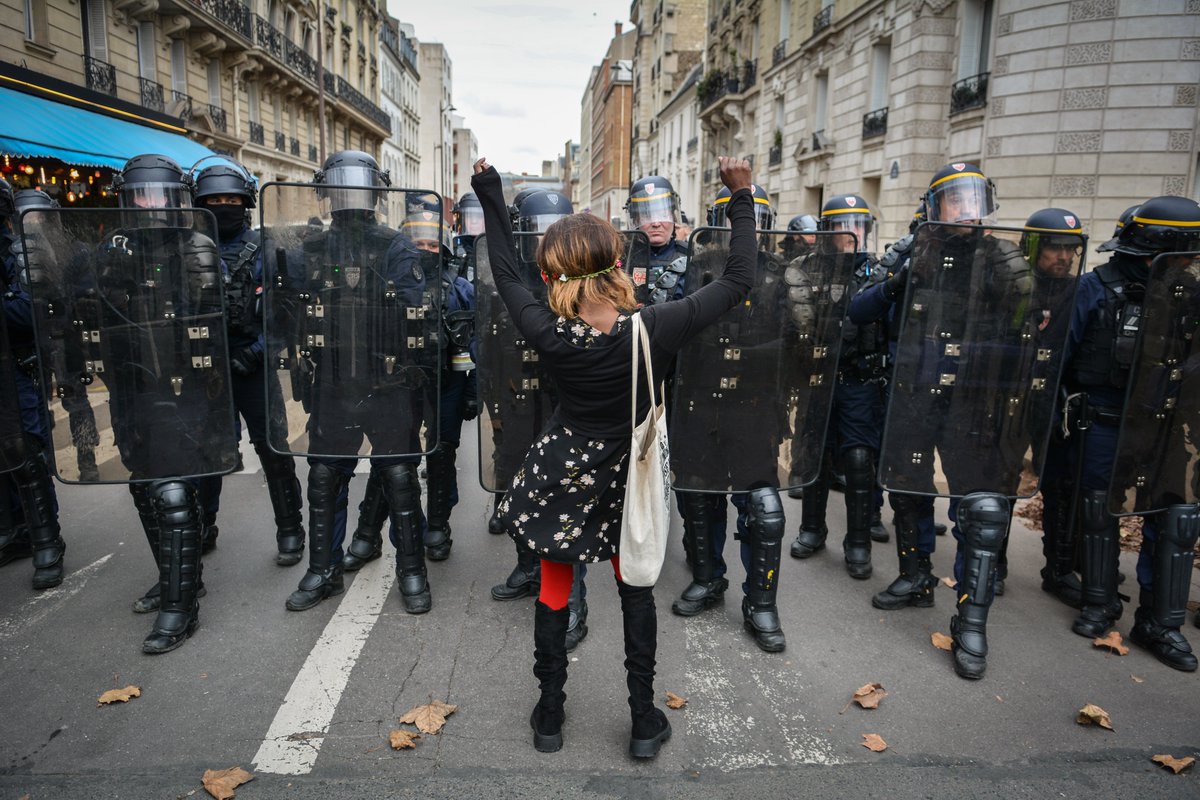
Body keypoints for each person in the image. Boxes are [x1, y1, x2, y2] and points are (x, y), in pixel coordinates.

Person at [471, 154, 756, 758]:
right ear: (619, 265)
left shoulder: (546, 330)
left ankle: (550, 715)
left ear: (554, 276)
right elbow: (738, 281)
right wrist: (742, 196)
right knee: (635, 589)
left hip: (562, 472)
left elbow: (502, 270)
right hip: (631, 476)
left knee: (553, 589)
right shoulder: (657, 325)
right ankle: (643, 721)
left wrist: (489, 192)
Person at [266, 151, 435, 614]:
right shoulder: (313, 248)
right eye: (342, 189)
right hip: (333, 380)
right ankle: (322, 571)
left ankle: (412, 570)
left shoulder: (395, 245)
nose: (349, 199)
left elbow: (413, 305)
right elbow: (288, 305)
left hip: (386, 380)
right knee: (323, 476)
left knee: (399, 475)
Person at [1061, 195, 1200, 671]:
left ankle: (1160, 624)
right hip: (1106, 420)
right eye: (1185, 254)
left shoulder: (1191, 294)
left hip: (1170, 429)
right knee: (1101, 514)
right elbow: (1062, 357)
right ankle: (1099, 603)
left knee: (1177, 520)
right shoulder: (1095, 290)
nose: (1189, 264)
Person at [667, 183, 797, 654]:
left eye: (757, 219)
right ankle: (707, 579)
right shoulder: (692, 270)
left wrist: (757, 361)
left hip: (754, 407)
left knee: (762, 508)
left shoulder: (785, 276)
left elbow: (798, 346)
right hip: (700, 402)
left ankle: (761, 603)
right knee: (699, 497)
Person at [190, 161, 306, 568]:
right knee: (205, 454)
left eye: (231, 200)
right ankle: (202, 527)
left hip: (252, 367)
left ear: (246, 204)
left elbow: (287, 312)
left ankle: (291, 529)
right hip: (205, 368)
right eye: (215, 201)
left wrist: (259, 349)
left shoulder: (267, 251)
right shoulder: (187, 249)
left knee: (273, 449)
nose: (223, 206)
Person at [790, 194, 887, 580]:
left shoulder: (877, 273)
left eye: (859, 226)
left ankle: (858, 542)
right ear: (827, 231)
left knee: (860, 462)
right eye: (844, 226)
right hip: (818, 378)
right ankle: (812, 529)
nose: (852, 234)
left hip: (860, 379)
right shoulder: (806, 270)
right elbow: (801, 323)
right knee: (816, 455)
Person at [0, 178, 66, 590]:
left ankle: (47, 541)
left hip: (16, 371)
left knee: (27, 454)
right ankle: (15, 530)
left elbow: (34, 310)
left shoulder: (22, 251)